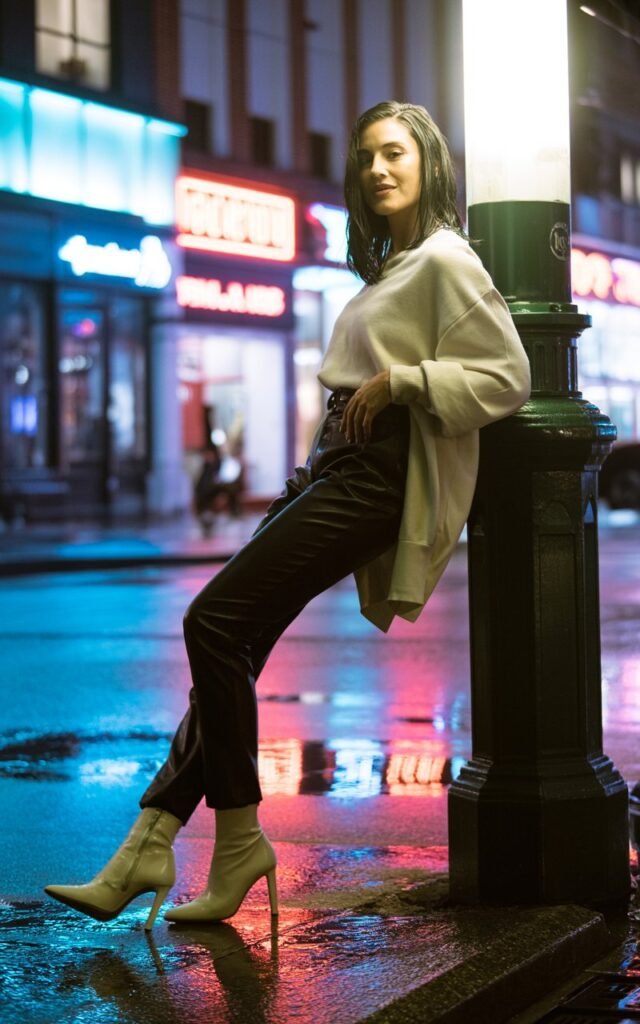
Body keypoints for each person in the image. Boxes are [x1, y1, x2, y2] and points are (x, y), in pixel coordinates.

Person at [44, 101, 531, 930]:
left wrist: (405, 381)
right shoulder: (394, 268)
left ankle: (238, 840)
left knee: (212, 621)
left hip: (376, 475)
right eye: (365, 156)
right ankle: (146, 845)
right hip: (333, 466)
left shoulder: (448, 259)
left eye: (395, 153)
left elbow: (507, 375)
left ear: (430, 163)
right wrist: (311, 466)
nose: (377, 169)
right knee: (235, 641)